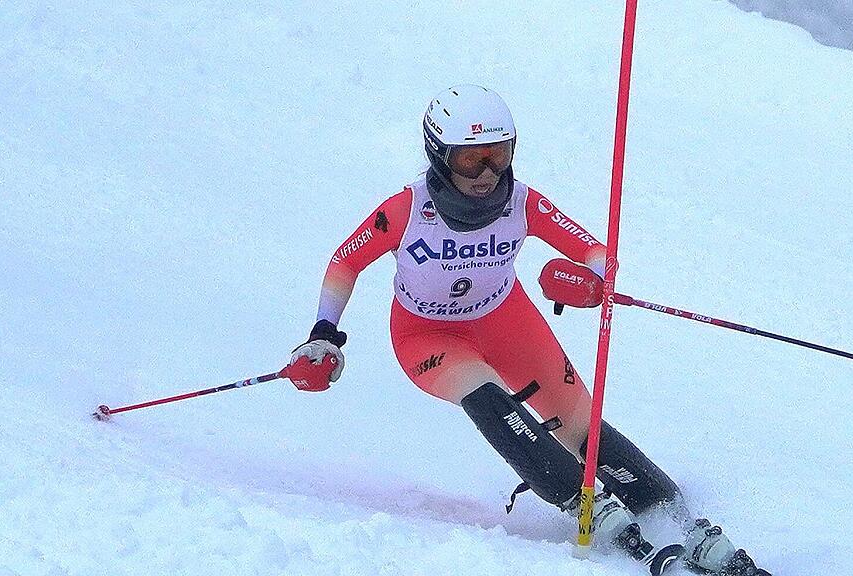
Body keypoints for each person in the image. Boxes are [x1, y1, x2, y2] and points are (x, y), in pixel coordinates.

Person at [284, 85, 770, 576]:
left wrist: (594, 280)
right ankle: (582, 504)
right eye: (471, 160)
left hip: (506, 320)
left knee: (579, 423)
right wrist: (324, 332)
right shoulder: (406, 210)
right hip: (427, 337)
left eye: (498, 155)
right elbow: (345, 261)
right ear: (439, 154)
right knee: (487, 394)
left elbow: (594, 251)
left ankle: (673, 518)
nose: (487, 174)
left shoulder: (521, 202)